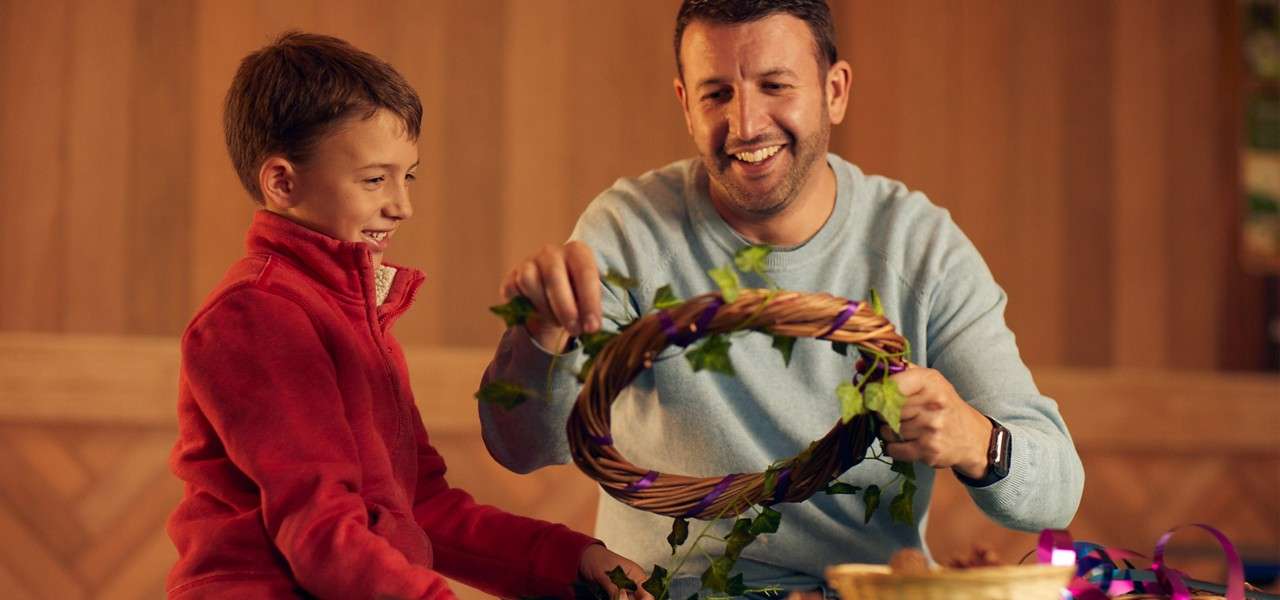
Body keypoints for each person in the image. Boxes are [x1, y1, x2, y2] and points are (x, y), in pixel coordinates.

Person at [479, 0, 1084, 597]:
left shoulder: (919, 246)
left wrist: (976, 439)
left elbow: (1057, 489)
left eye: (775, 85)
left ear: (835, 90)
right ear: (685, 104)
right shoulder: (626, 230)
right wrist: (541, 339)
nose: (746, 125)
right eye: (717, 93)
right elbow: (524, 449)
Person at [165, 31, 652, 599]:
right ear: (281, 182)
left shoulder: (356, 315)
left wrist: (572, 559)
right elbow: (320, 531)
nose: (402, 205)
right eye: (375, 179)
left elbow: (422, 506)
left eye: (407, 176)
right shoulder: (254, 314)